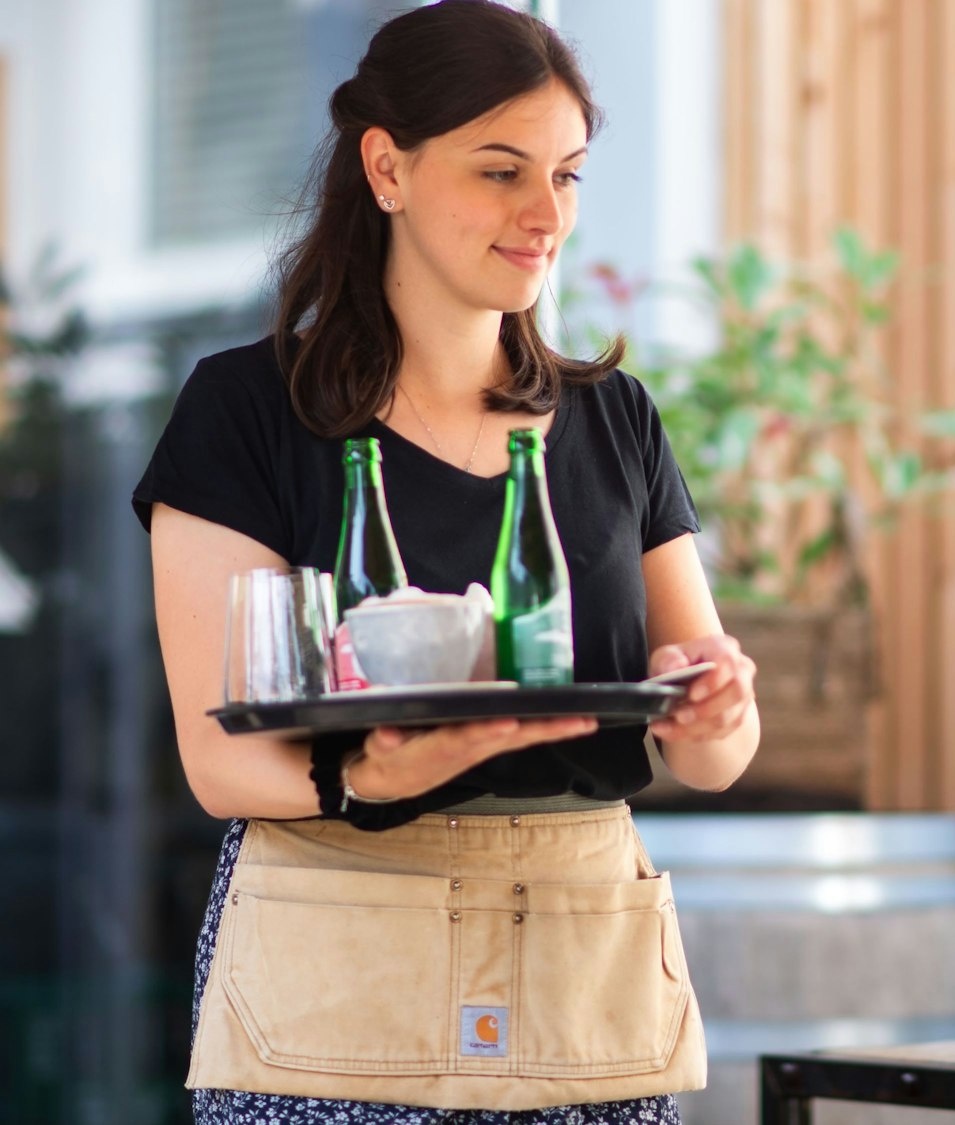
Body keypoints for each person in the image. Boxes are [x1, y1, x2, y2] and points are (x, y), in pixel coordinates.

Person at [130, 2, 758, 1119]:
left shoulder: (613, 419)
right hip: (338, 964)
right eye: (501, 171)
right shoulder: (243, 413)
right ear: (387, 169)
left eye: (564, 176)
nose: (543, 214)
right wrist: (371, 778)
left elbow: (711, 749)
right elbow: (220, 759)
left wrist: (714, 715)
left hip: (584, 975)